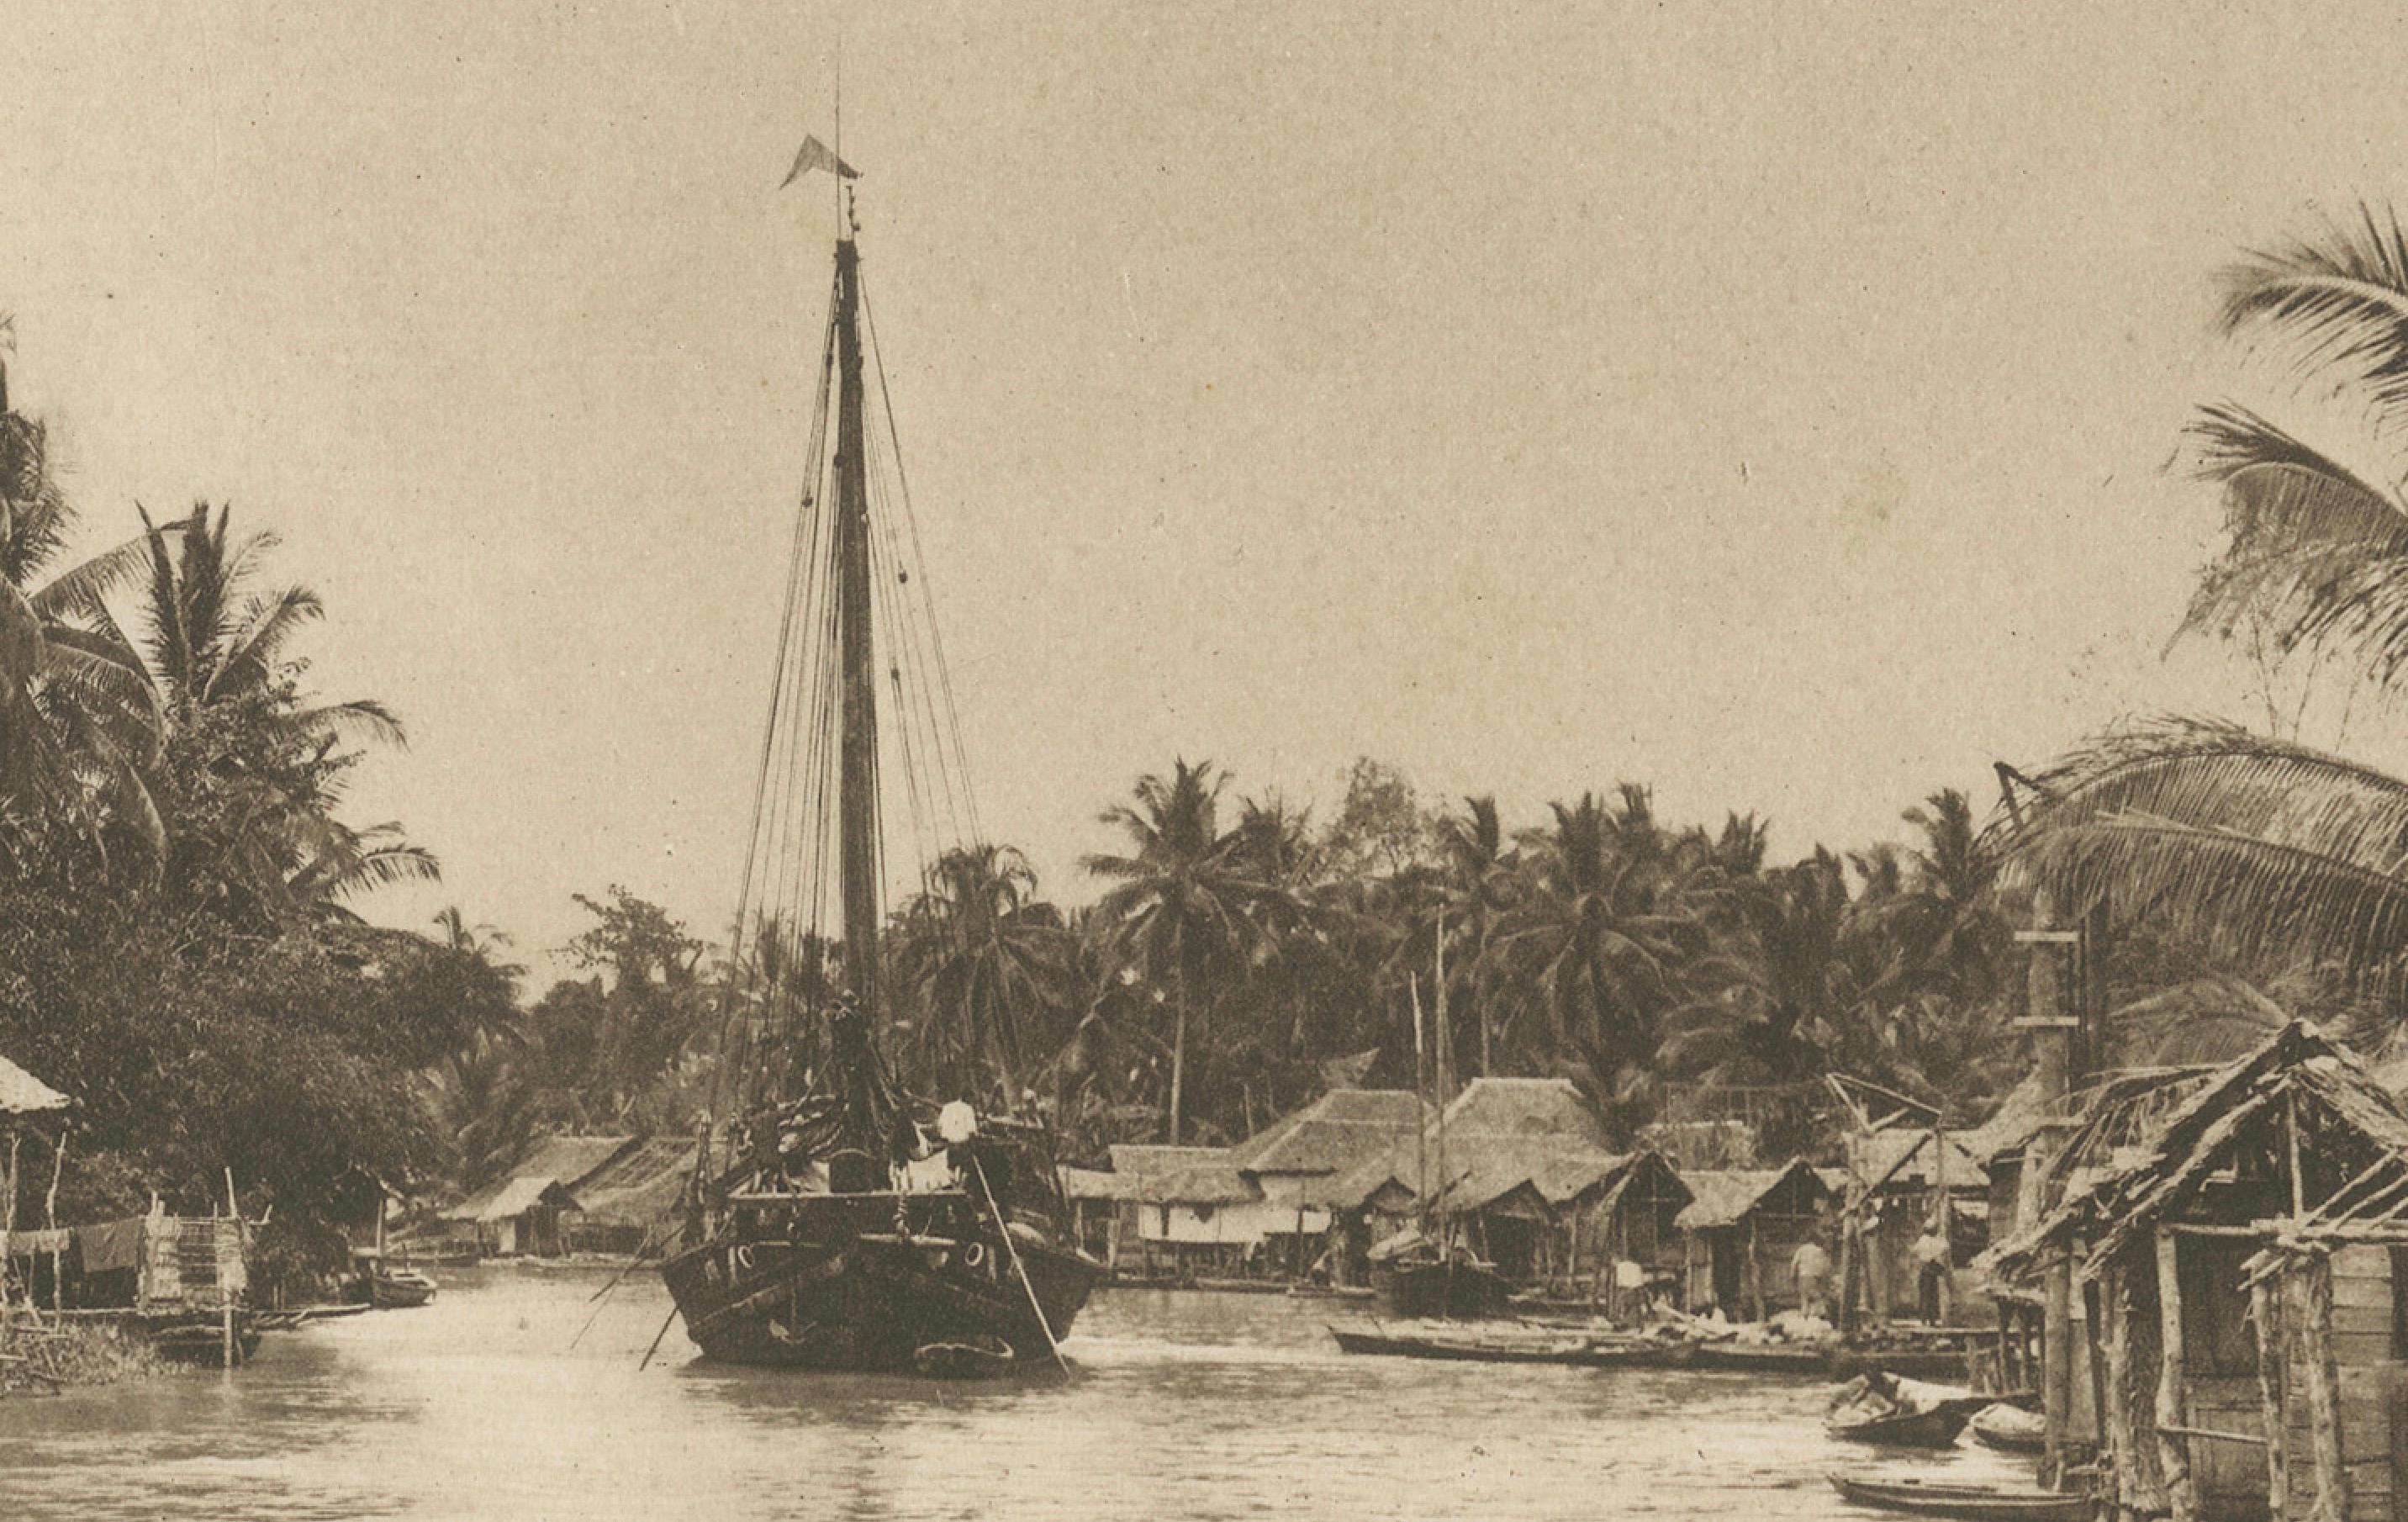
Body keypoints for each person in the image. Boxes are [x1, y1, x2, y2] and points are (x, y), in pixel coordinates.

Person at [1791, 1237, 1833, 1321]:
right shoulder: (1819, 1250)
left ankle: (1809, 1317)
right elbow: (1825, 1265)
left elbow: (1794, 1263)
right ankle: (1819, 1314)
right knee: (1816, 1295)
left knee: (1805, 1297)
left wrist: (1792, 1275)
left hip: (1804, 1275)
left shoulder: (1801, 1249)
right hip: (1817, 1276)